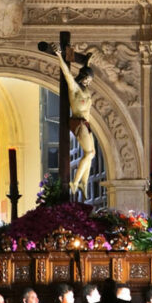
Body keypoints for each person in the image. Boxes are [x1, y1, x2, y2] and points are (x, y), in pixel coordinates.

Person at [54, 43, 95, 197]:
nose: (89, 82)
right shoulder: (75, 89)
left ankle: (84, 183)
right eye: (88, 79)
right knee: (89, 153)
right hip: (79, 122)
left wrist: (87, 62)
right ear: (83, 77)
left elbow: (85, 68)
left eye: (90, 80)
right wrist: (59, 55)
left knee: (92, 153)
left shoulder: (86, 90)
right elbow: (67, 74)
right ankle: (75, 182)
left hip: (86, 124)